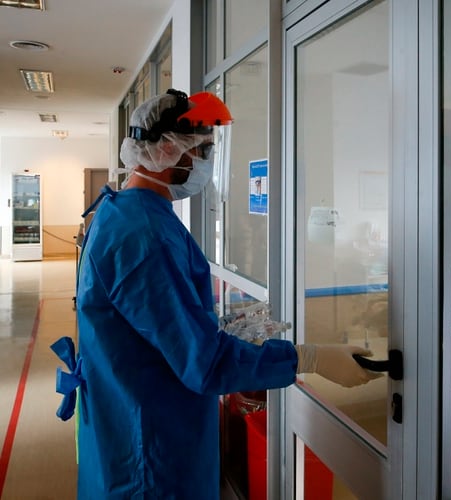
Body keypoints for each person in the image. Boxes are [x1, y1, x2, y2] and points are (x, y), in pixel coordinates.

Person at [50, 89, 380, 499]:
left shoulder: (126, 212)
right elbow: (202, 362)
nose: (205, 161)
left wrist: (221, 333)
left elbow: (160, 325)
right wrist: (311, 357)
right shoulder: (144, 235)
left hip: (133, 416)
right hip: (149, 454)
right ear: (170, 149)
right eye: (202, 148)